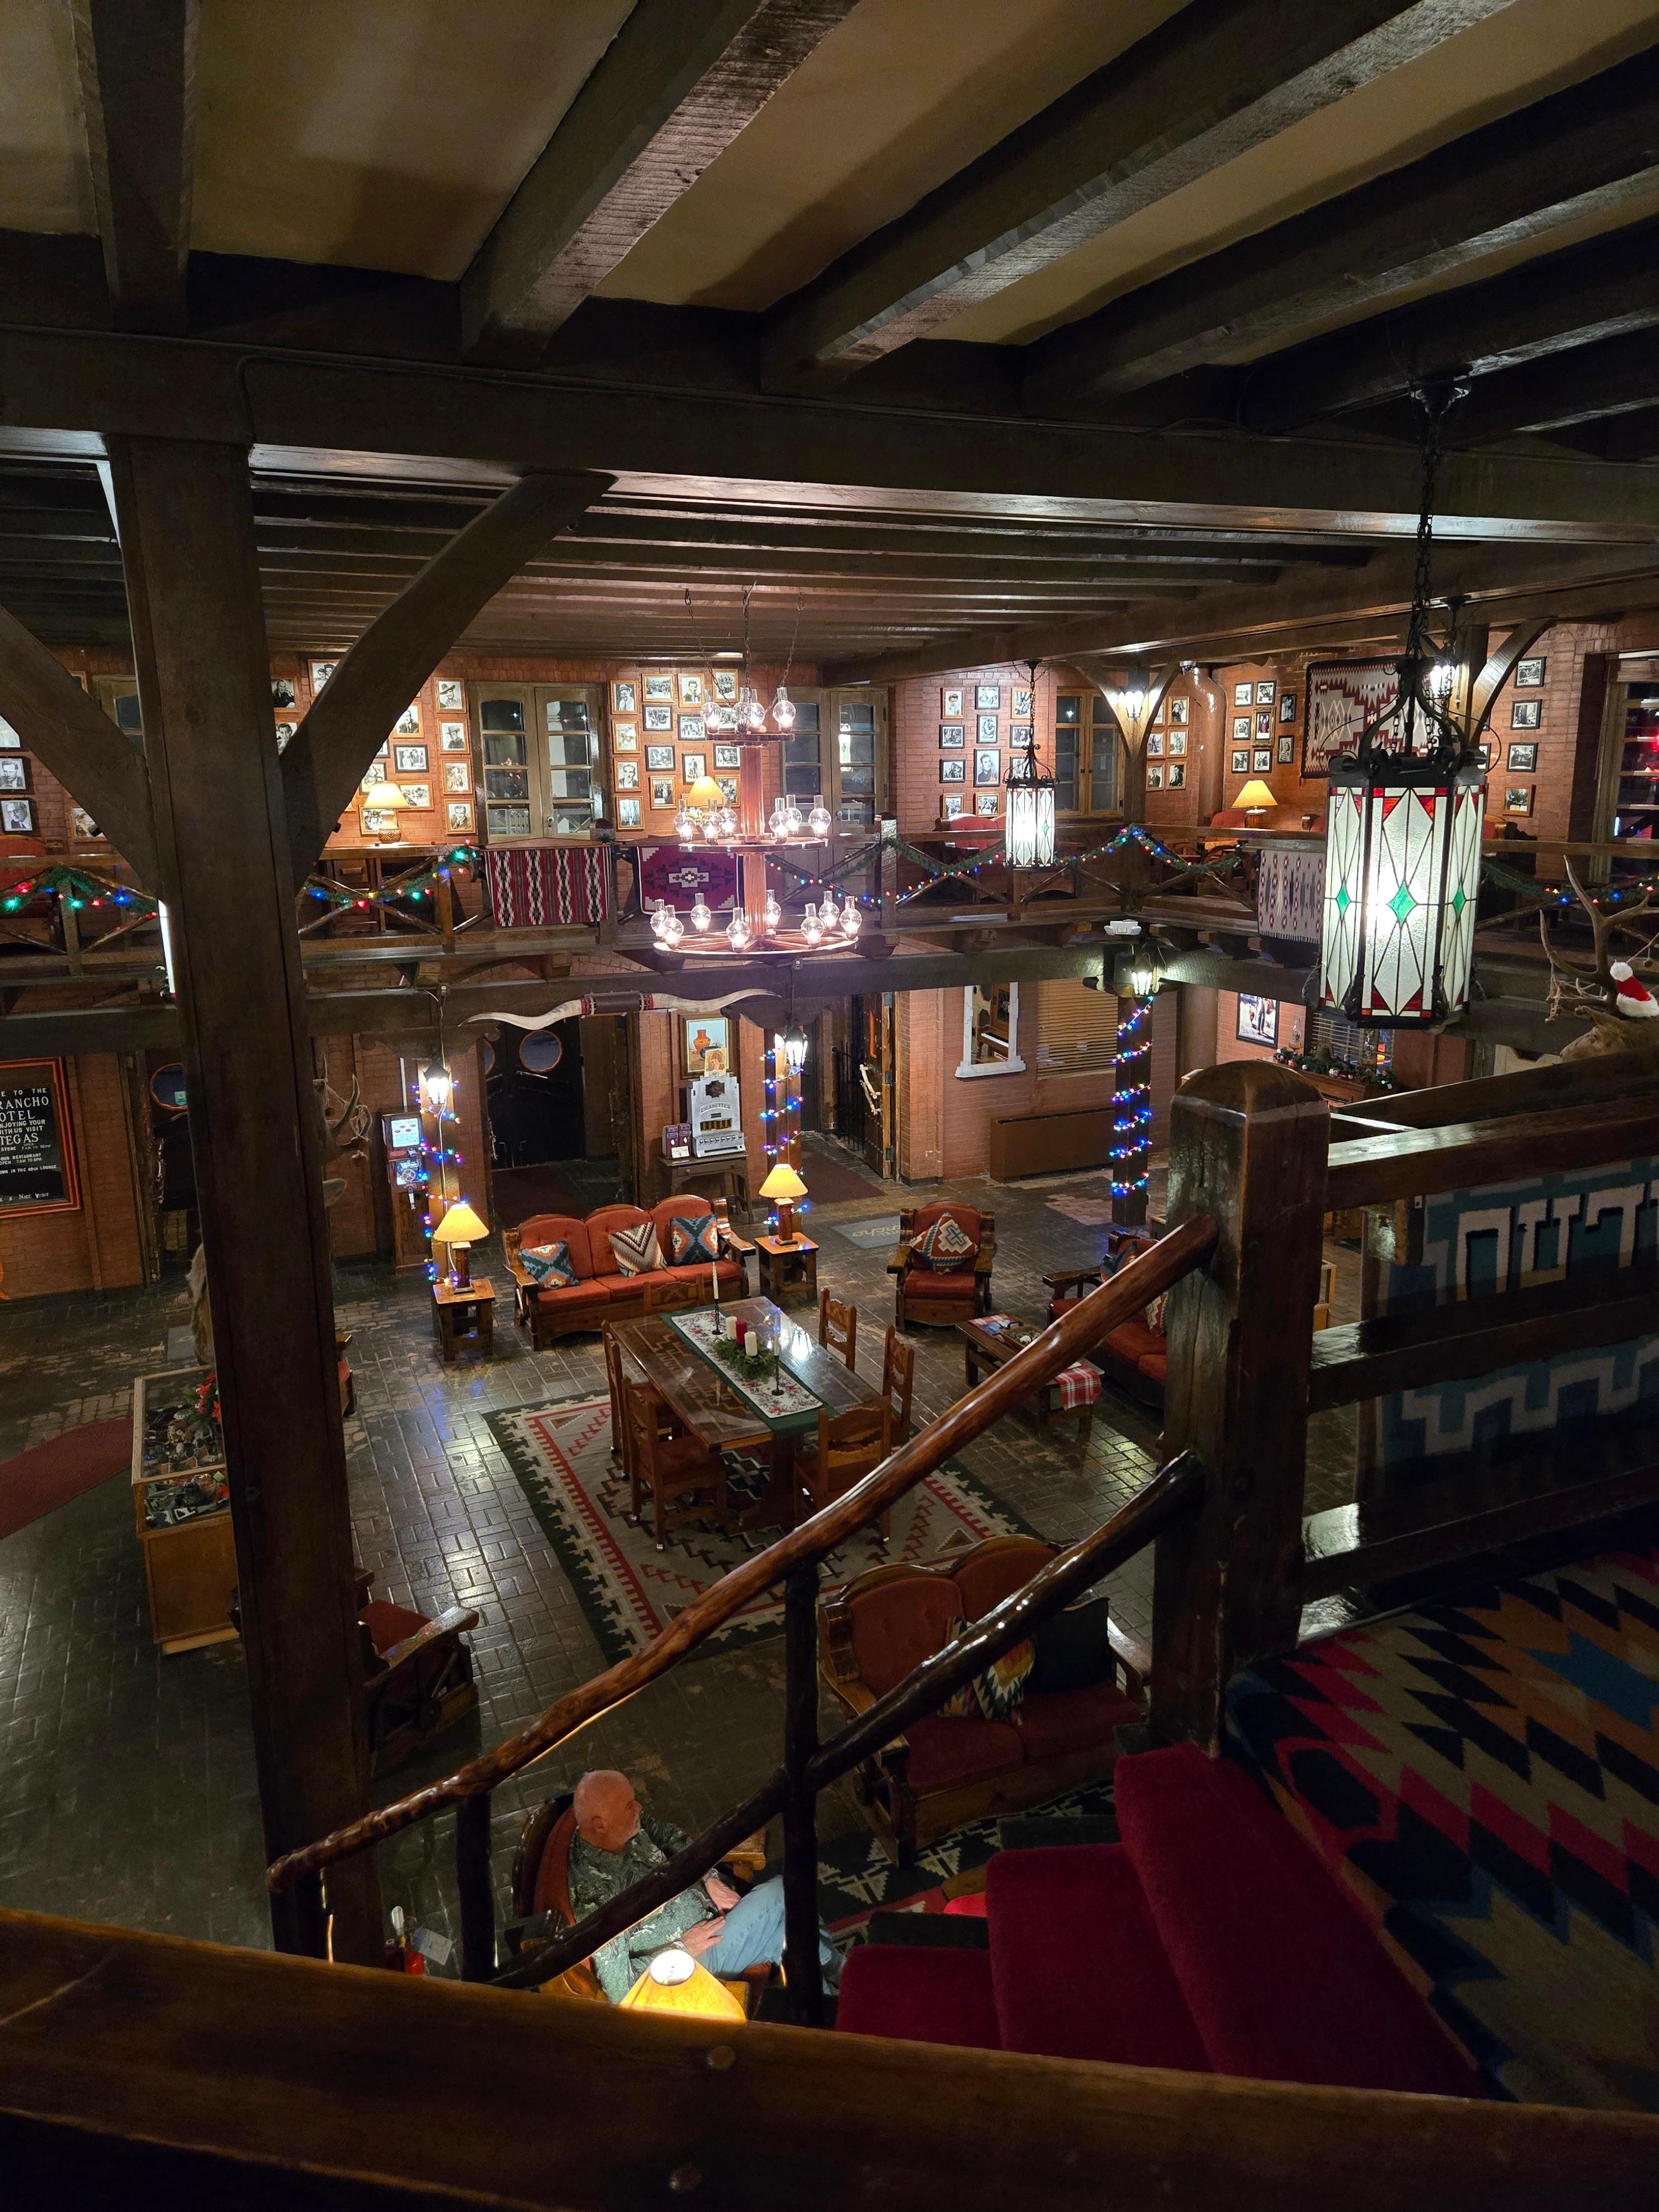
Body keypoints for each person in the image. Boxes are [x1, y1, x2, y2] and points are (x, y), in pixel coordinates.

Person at [564, 1768, 838, 2004]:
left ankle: (832, 2016)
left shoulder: (625, 1826)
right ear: (600, 1825)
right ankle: (843, 1972)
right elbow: (620, 1990)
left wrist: (710, 1878)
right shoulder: (596, 1896)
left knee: (788, 1934)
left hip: (712, 1918)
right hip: (694, 1960)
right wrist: (683, 1949)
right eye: (630, 1806)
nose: (640, 1809)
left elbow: (677, 1840)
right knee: (784, 1892)